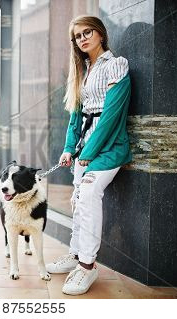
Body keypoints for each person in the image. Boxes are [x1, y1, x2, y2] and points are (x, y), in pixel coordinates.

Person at [45, 15, 132, 295]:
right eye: (77, 36)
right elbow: (75, 117)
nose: (82, 39)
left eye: (87, 32)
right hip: (84, 148)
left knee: (90, 194)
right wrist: (70, 149)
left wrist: (89, 152)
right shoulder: (82, 71)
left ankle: (87, 266)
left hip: (109, 147)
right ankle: (75, 254)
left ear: (100, 33)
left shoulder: (115, 66)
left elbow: (110, 116)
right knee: (79, 200)